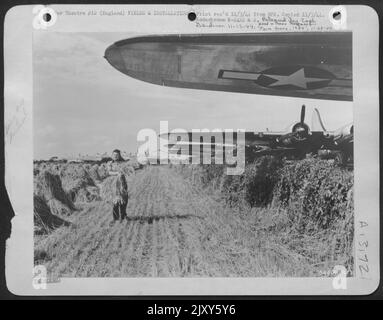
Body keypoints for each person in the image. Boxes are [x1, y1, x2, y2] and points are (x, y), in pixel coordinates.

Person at [107, 149, 128, 222]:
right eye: (114, 155)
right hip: (114, 185)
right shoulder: (110, 163)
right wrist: (117, 173)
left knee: (124, 200)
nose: (115, 156)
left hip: (122, 183)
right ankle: (115, 218)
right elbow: (109, 172)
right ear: (112, 155)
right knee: (115, 201)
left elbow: (127, 170)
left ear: (119, 155)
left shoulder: (123, 163)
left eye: (117, 155)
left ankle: (123, 216)